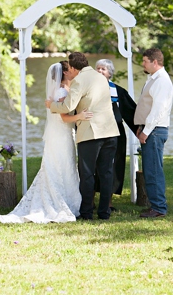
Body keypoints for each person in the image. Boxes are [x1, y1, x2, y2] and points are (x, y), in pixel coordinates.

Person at [0, 61, 93, 224]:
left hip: (64, 133)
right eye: (70, 70)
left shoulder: (65, 89)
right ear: (65, 74)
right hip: (60, 134)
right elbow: (63, 117)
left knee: (65, 166)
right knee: (60, 166)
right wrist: (80, 117)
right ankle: (60, 203)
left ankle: (70, 201)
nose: (73, 72)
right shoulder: (61, 91)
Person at [46, 53, 119, 221]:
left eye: (69, 69)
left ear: (72, 68)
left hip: (91, 133)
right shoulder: (100, 77)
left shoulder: (79, 80)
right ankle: (104, 213)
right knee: (106, 173)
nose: (68, 73)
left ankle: (86, 213)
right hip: (110, 132)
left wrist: (52, 105)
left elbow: (67, 106)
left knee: (87, 175)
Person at [134, 48, 173, 219]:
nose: (142, 64)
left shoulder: (162, 81)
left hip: (155, 131)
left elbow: (158, 110)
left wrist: (147, 131)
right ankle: (155, 205)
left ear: (154, 62)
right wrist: (141, 126)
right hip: (150, 129)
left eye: (145, 61)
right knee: (150, 169)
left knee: (154, 171)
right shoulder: (153, 79)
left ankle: (159, 208)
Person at [94, 59, 137, 211]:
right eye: (98, 68)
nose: (100, 71)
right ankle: (90, 199)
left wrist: (141, 131)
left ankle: (108, 202)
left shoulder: (118, 91)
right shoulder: (89, 90)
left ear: (110, 73)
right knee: (93, 167)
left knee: (113, 166)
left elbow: (131, 113)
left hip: (116, 134)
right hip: (95, 133)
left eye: (103, 69)